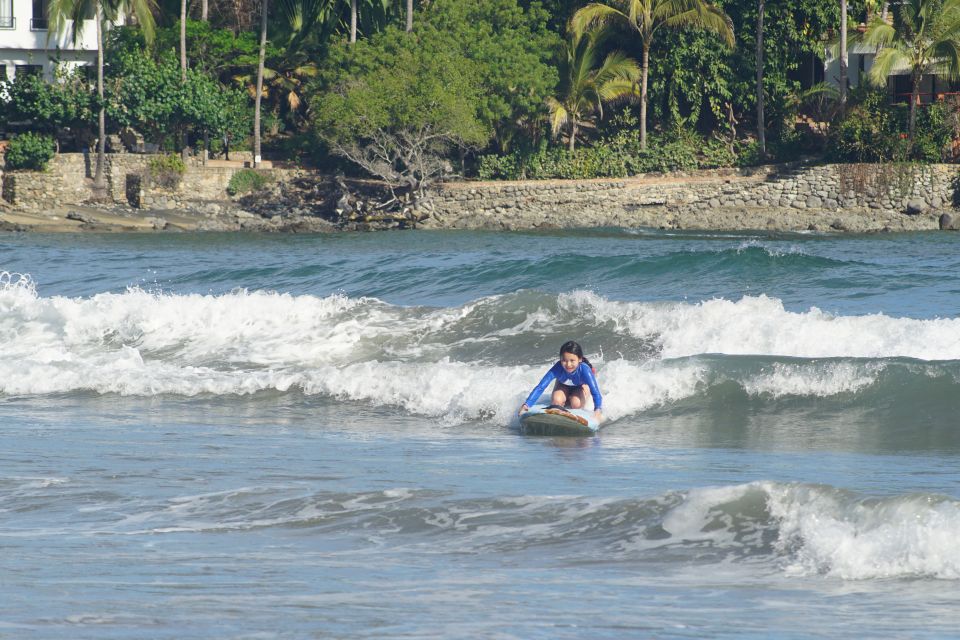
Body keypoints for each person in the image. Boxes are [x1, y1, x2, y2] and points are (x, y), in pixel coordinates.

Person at [518, 341, 603, 421]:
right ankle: (565, 398)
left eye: (572, 361)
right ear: (560, 359)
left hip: (580, 386)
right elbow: (541, 387)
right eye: (564, 360)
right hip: (563, 385)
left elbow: (595, 391)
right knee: (556, 401)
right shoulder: (558, 368)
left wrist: (598, 410)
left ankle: (576, 396)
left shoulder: (585, 370)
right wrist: (526, 404)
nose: (568, 364)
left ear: (580, 359)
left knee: (576, 404)